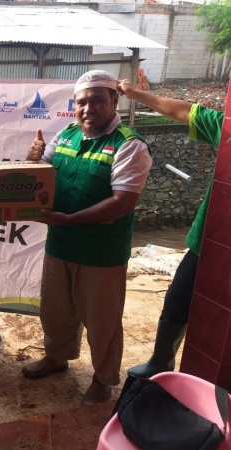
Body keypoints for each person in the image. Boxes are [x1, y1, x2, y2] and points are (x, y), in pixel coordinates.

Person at [23, 70, 152, 405]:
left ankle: (103, 379)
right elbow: (40, 178)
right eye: (81, 101)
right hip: (60, 244)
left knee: (102, 322)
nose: (88, 108)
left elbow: (122, 203)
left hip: (101, 254)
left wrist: (68, 220)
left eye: (97, 100)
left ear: (114, 100)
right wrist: (33, 160)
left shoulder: (129, 144)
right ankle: (57, 358)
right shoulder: (66, 134)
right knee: (55, 311)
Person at [118, 79, 224, 378]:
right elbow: (182, 111)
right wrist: (136, 94)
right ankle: (161, 362)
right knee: (178, 298)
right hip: (209, 240)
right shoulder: (226, 128)